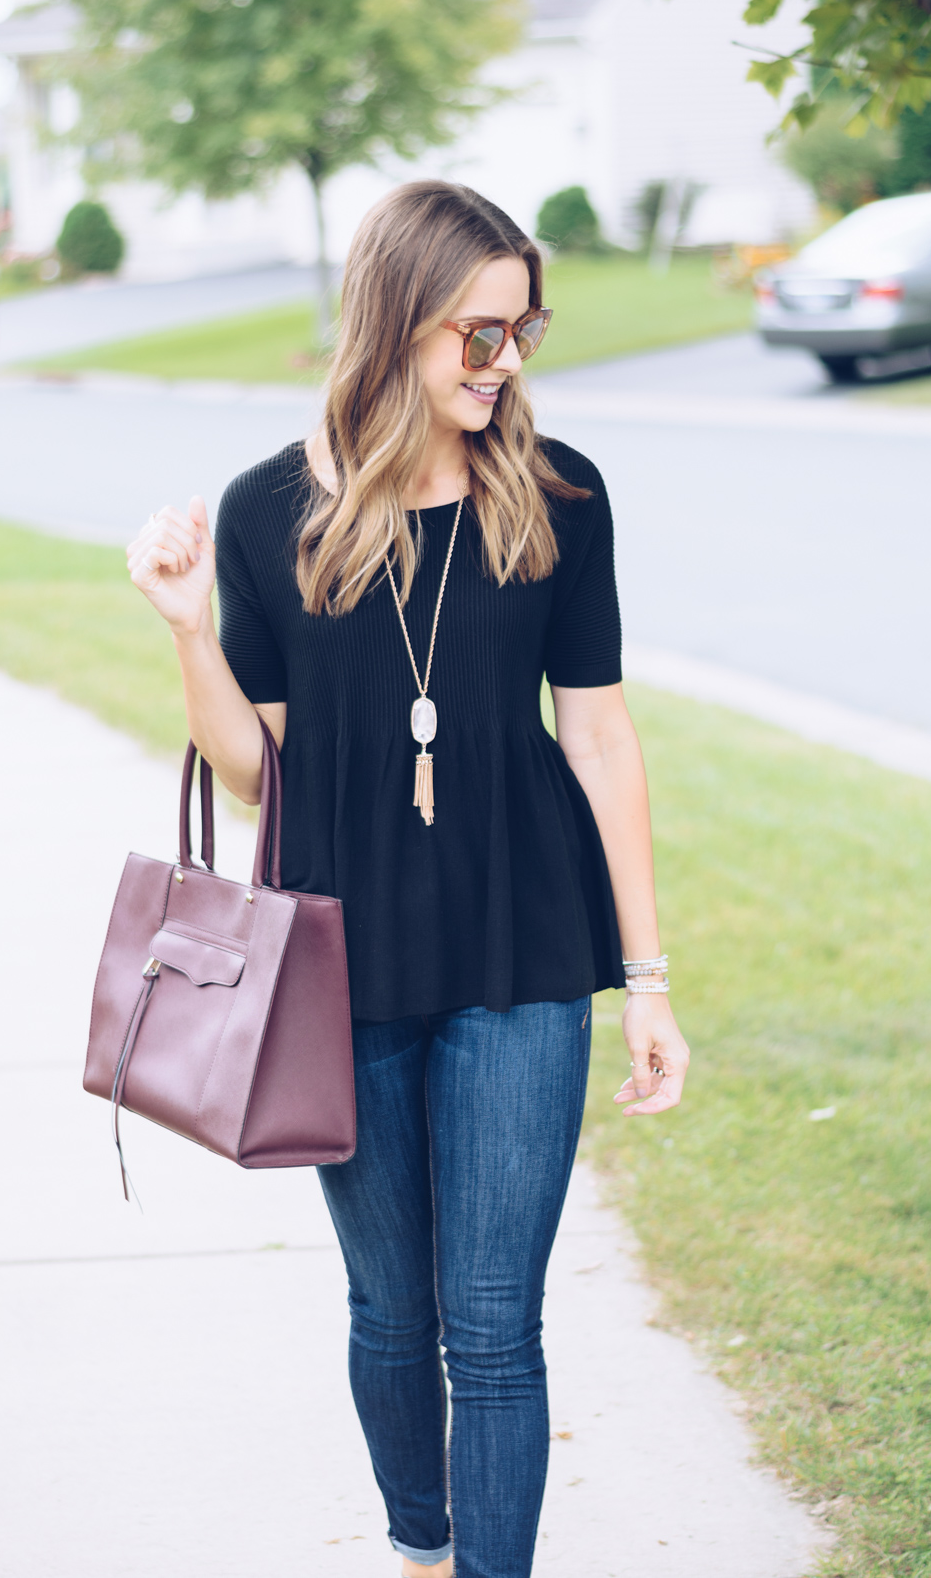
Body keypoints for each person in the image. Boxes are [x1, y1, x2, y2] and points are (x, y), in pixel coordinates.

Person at [126, 180, 690, 1578]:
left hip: (526, 946)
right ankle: (420, 1551)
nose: (506, 366)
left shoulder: (560, 495)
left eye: (521, 332)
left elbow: (602, 732)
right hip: (344, 959)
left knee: (496, 1322)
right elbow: (257, 769)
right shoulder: (270, 511)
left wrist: (652, 978)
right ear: (394, 326)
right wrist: (190, 634)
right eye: (477, 337)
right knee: (392, 1311)